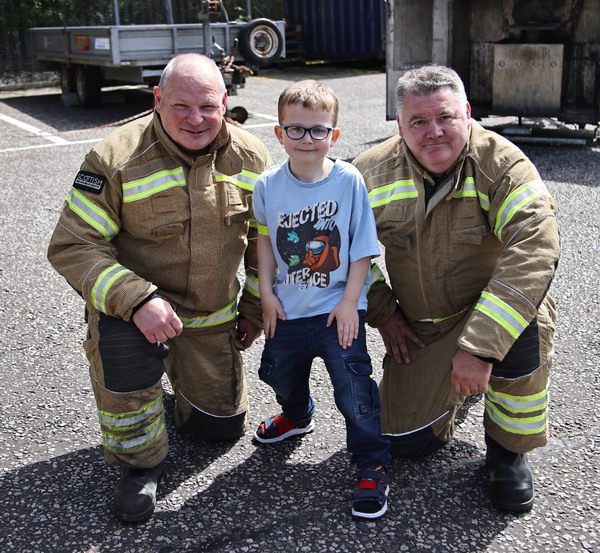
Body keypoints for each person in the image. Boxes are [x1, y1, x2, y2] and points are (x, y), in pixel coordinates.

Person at [47, 53, 272, 523]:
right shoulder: (115, 158)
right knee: (123, 348)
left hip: (210, 322)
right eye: (181, 106)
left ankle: (177, 393)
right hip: (136, 317)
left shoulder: (252, 157)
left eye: (208, 106)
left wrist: (252, 308)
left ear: (225, 102)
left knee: (221, 430)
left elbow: (262, 246)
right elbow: (74, 244)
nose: (196, 119)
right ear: (157, 101)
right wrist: (136, 299)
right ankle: (140, 463)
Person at [353, 65, 559, 512]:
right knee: (403, 442)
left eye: (445, 117)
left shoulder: (501, 163)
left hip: (486, 313)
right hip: (425, 325)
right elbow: (345, 251)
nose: (434, 133)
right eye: (419, 122)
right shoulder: (369, 172)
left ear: (467, 113)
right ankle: (451, 391)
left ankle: (507, 453)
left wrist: (481, 348)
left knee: (524, 317)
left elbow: (534, 247)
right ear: (399, 125)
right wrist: (384, 311)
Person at [252, 80, 392, 519]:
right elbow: (264, 240)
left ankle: (371, 465)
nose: (307, 139)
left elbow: (363, 247)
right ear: (279, 134)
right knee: (277, 373)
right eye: (296, 129)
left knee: (354, 392)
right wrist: (266, 295)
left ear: (333, 135)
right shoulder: (267, 185)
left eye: (318, 130)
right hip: (288, 309)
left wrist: (351, 302)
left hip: (338, 310)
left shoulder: (348, 180)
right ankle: (296, 415)